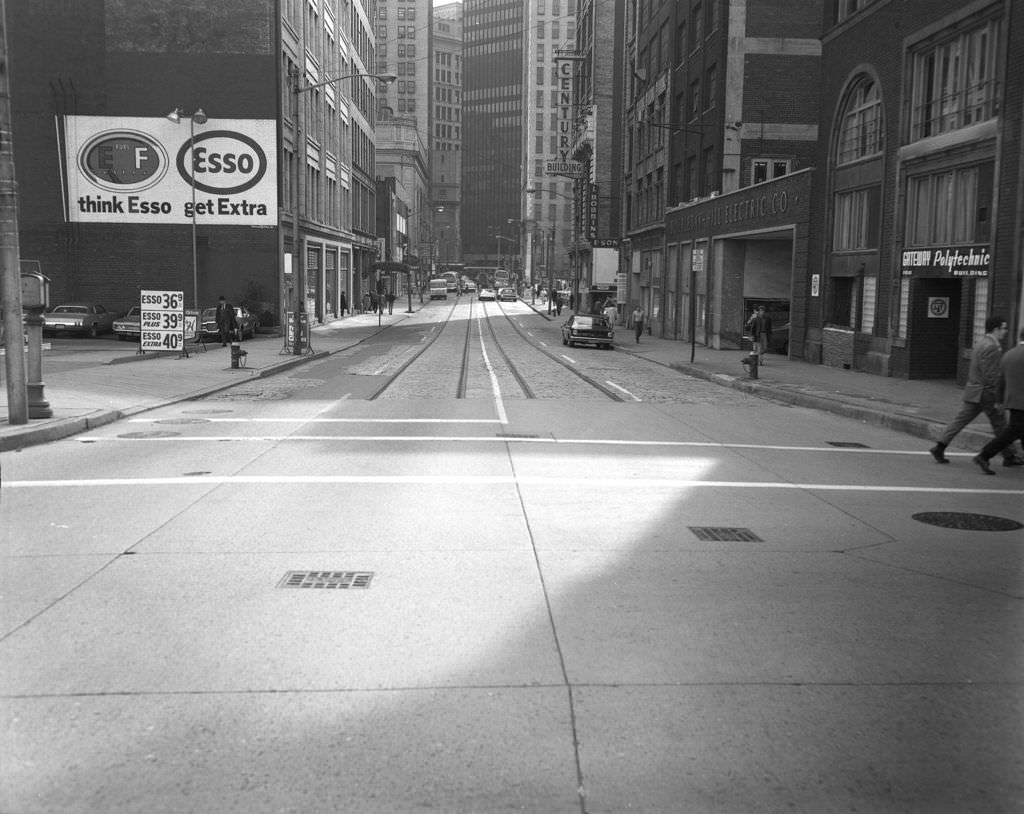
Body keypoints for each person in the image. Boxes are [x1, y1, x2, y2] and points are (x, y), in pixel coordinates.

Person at [930, 315, 1024, 467]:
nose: (1005, 332)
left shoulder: (980, 343)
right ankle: (1009, 455)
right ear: (996, 329)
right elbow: (991, 375)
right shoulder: (993, 347)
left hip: (973, 390)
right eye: (1004, 328)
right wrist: (997, 397)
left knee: (960, 421)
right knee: (1000, 424)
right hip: (986, 393)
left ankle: (940, 446)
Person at [973, 326, 1024, 474]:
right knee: (1012, 432)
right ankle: (984, 455)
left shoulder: (1008, 355)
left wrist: (999, 400)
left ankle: (988, 456)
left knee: (1019, 430)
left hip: (1012, 400)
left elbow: (1000, 380)